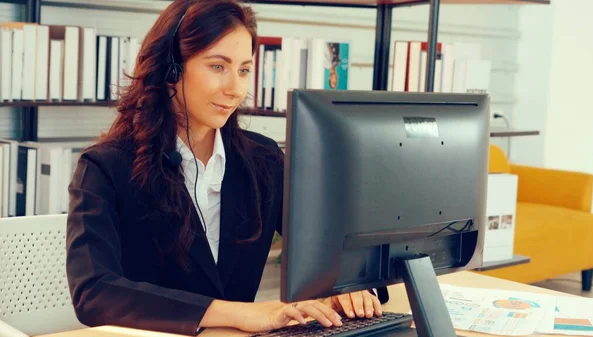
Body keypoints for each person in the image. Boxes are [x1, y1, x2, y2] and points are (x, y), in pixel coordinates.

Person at [65, 0, 383, 336]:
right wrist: (239, 314)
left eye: (244, 70)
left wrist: (348, 286)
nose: (235, 89)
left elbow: (331, 244)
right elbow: (93, 293)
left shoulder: (262, 159)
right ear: (171, 69)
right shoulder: (105, 167)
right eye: (218, 67)